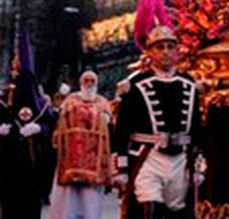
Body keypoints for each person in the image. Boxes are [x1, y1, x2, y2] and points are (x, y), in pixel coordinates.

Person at [112, 23, 203, 219]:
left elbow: (197, 129)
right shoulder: (135, 86)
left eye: (171, 47)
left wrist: (199, 164)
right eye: (160, 47)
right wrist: (120, 167)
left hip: (181, 159)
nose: (166, 52)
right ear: (150, 52)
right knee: (149, 209)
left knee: (178, 212)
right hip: (148, 157)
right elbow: (122, 129)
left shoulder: (190, 84)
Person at [4, 24, 57, 219]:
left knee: (30, 202)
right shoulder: (6, 98)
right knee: (10, 201)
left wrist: (40, 128)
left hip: (34, 158)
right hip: (9, 160)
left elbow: (51, 126)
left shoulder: (41, 104)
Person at [49, 70, 113, 219]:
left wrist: (105, 117)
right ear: (80, 83)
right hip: (71, 157)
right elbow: (60, 117)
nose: (89, 84)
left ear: (97, 83)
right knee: (68, 201)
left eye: (92, 81)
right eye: (86, 80)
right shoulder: (70, 100)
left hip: (93, 155)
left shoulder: (102, 102)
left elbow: (109, 119)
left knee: (90, 201)